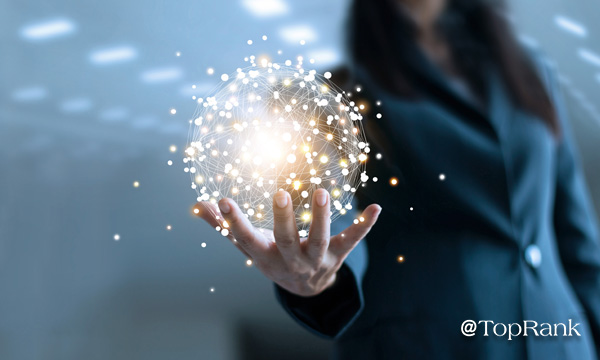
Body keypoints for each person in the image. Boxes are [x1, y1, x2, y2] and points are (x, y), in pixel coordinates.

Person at [196, 0, 600, 358]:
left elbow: (578, 242)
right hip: (433, 343)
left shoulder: (530, 69)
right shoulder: (341, 91)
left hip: (560, 339)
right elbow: (334, 220)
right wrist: (319, 277)